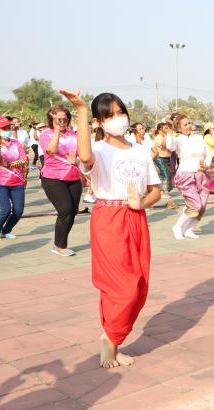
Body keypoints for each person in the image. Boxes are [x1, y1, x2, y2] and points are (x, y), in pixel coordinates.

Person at [60, 89, 160, 369]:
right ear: (100, 121)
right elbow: (83, 155)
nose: (118, 119)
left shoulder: (140, 150)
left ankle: (114, 342)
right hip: (109, 218)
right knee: (121, 286)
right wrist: (80, 111)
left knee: (139, 286)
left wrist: (141, 203)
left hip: (136, 218)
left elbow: (156, 191)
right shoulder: (98, 150)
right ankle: (109, 341)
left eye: (120, 112)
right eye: (109, 115)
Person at [39, 105, 82, 256]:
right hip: (53, 177)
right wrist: (56, 130)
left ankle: (61, 242)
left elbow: (81, 155)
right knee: (65, 209)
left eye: (65, 119)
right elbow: (51, 150)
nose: (63, 122)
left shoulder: (73, 134)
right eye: (59, 120)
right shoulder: (46, 135)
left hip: (74, 176)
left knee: (73, 211)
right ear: (52, 120)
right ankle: (59, 245)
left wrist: (76, 160)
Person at [171, 115, 212, 240]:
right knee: (195, 204)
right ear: (179, 128)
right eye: (185, 124)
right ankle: (177, 227)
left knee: (202, 206)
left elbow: (208, 154)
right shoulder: (177, 140)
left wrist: (206, 165)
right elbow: (170, 147)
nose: (189, 126)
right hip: (186, 174)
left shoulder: (199, 138)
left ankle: (189, 229)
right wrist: (169, 133)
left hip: (202, 174)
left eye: (189, 123)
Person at [0, 117, 29, 240]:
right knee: (5, 209)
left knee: (19, 210)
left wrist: (11, 164)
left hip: (17, 181)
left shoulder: (16, 143)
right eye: (4, 128)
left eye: (8, 127)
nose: (7, 130)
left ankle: (6, 231)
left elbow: (25, 160)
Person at [152, 122, 175, 200]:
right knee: (165, 174)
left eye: (167, 128)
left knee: (166, 174)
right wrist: (167, 136)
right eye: (165, 128)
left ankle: (163, 191)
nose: (167, 130)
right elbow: (162, 146)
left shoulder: (166, 136)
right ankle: (162, 192)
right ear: (160, 130)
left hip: (167, 157)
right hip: (160, 157)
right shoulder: (158, 137)